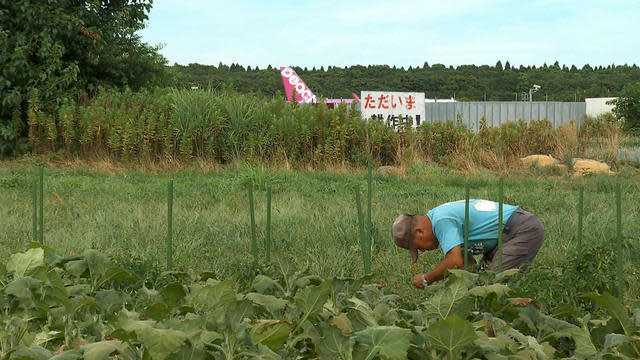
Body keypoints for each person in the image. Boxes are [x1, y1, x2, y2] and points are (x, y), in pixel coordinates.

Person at [392, 199, 544, 289]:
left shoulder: (440, 221)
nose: (423, 251)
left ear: (419, 232)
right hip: (506, 235)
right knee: (481, 284)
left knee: (492, 289)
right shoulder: (438, 217)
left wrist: (427, 279)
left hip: (520, 230)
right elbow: (467, 264)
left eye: (418, 247)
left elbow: (455, 261)